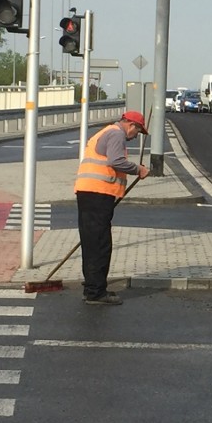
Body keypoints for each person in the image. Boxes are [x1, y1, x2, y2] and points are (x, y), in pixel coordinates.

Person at [74, 111, 150, 306]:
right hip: (98, 195)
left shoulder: (106, 132)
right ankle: (96, 292)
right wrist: (138, 170)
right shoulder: (116, 134)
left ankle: (92, 287)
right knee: (100, 244)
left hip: (88, 193)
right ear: (132, 125)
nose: (135, 137)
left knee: (91, 243)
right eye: (138, 132)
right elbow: (115, 161)